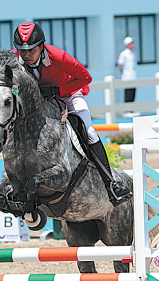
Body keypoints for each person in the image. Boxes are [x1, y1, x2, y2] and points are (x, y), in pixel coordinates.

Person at [13, 22, 132, 207]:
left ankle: (112, 184)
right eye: (22, 51)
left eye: (31, 50)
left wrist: (57, 90)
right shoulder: (14, 58)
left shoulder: (58, 56)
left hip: (68, 95)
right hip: (38, 103)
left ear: (41, 46)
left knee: (90, 131)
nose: (27, 55)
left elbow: (86, 77)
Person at [117, 36, 138, 114]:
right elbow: (120, 64)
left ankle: (131, 110)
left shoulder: (133, 53)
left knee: (133, 92)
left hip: (133, 76)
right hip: (127, 76)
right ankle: (127, 111)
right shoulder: (124, 54)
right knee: (128, 93)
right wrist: (123, 73)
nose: (133, 45)